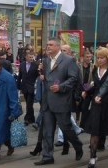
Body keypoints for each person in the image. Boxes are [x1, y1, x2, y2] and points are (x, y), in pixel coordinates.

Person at [34, 37, 83, 166]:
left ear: (57, 46)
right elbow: (47, 78)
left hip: (61, 101)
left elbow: (74, 78)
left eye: (50, 45)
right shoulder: (45, 60)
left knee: (66, 128)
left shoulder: (68, 60)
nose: (47, 47)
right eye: (47, 45)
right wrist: (42, 76)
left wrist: (61, 87)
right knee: (47, 131)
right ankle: (47, 156)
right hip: (47, 102)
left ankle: (78, 146)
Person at [83, 47, 108, 168]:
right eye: (98, 57)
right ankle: (92, 157)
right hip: (96, 103)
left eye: (102, 57)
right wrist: (87, 91)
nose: (100, 60)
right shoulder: (95, 69)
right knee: (94, 130)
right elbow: (96, 86)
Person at [17, 51, 39, 126]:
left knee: (29, 104)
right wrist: (18, 86)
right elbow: (20, 76)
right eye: (29, 57)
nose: (31, 58)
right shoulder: (22, 64)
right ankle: (32, 118)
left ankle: (27, 119)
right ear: (26, 57)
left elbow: (38, 75)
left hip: (32, 87)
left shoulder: (36, 65)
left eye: (32, 57)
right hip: (24, 87)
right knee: (28, 103)